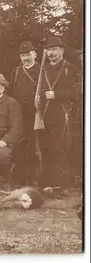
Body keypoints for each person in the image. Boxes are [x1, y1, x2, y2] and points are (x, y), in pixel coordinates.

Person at [36, 36, 81, 188]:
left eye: (55, 49)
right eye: (49, 50)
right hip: (43, 116)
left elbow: (79, 92)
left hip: (62, 115)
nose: (51, 53)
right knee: (44, 149)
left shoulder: (70, 69)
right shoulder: (43, 69)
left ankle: (59, 186)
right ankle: (47, 184)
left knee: (58, 150)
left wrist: (58, 95)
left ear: (62, 50)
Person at [9, 41, 42, 186]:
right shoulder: (16, 71)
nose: (26, 58)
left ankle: (35, 178)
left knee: (36, 147)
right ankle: (20, 178)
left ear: (35, 54)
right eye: (23, 55)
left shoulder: (42, 70)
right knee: (19, 146)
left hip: (37, 115)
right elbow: (10, 94)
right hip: (19, 116)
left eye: (28, 54)